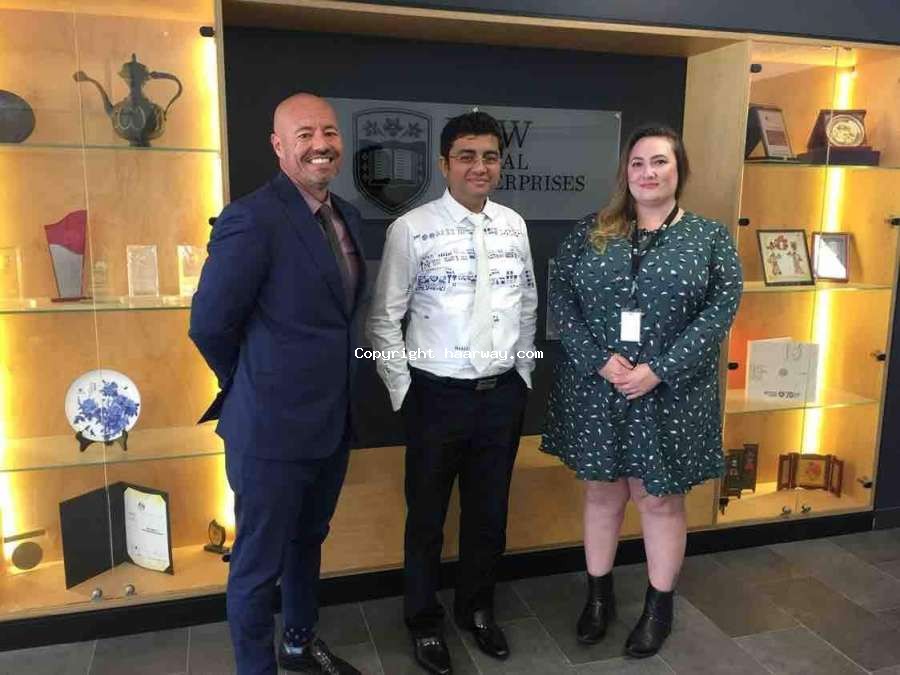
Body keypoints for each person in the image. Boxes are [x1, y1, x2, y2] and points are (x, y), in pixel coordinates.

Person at [541, 124, 742, 658]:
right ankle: (598, 599)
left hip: (671, 393)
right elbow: (560, 295)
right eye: (637, 163)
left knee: (659, 501)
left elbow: (720, 310)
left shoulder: (709, 238)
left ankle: (658, 608)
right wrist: (598, 360)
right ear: (625, 173)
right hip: (598, 389)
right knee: (602, 493)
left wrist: (660, 369)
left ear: (679, 170)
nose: (647, 173)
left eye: (659, 162)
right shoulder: (592, 231)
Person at [190, 93, 366, 675]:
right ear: (278, 145)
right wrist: (248, 381)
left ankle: (297, 642)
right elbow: (209, 324)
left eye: (329, 132)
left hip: (331, 423)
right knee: (257, 565)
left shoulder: (347, 216)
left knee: (308, 540)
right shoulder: (252, 218)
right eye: (304, 134)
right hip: (268, 430)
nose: (320, 144)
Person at [367, 111, 538, 675]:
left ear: (500, 163)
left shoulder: (514, 225)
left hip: (501, 397)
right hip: (435, 398)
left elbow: (527, 303)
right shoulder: (411, 228)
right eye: (466, 156)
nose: (479, 166)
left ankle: (477, 610)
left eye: (489, 156)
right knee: (427, 520)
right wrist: (403, 390)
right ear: (444, 164)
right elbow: (384, 319)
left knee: (489, 515)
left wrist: (523, 372)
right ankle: (423, 621)